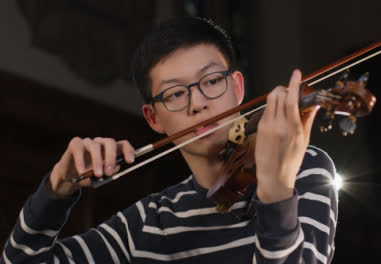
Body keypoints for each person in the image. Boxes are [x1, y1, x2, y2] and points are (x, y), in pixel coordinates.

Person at [1, 17, 338, 264]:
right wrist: (56, 190)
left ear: (237, 87)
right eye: (176, 93)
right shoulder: (148, 222)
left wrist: (277, 189)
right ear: (154, 118)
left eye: (210, 81)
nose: (198, 104)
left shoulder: (304, 169)